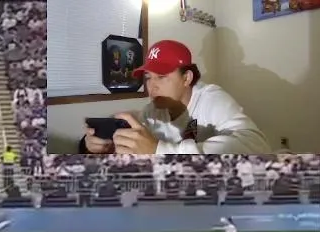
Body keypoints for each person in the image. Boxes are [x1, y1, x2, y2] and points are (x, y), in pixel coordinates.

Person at [79, 40, 270, 155]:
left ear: (186, 78)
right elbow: (139, 146)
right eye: (148, 78)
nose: (152, 86)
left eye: (162, 77)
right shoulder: (151, 111)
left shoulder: (212, 99)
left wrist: (159, 151)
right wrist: (101, 146)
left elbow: (257, 145)